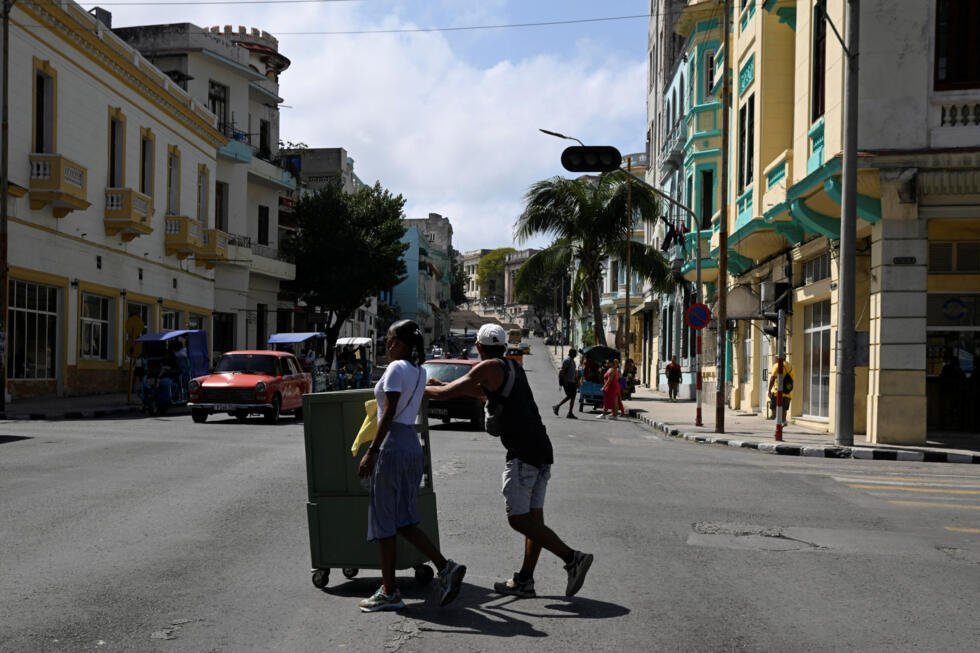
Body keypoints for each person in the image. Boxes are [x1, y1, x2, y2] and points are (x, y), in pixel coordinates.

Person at [424, 323, 593, 599]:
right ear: (503, 346)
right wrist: (441, 385)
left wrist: (420, 389)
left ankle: (572, 558)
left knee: (518, 519)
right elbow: (477, 392)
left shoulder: (487, 367)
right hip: (541, 448)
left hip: (523, 452)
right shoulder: (511, 367)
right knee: (534, 520)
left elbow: (449, 394)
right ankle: (525, 580)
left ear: (478, 347)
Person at [356, 319, 466, 612]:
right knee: (403, 518)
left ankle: (390, 591)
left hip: (392, 445)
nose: (388, 345)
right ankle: (445, 566)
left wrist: (372, 451)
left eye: (391, 340)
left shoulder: (395, 368)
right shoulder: (420, 371)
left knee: (383, 521)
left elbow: (389, 410)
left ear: (401, 343)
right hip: (410, 447)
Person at [552, 348, 579, 419]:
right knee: (570, 396)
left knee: (572, 397)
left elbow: (574, 373)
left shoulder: (572, 361)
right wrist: (563, 382)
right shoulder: (567, 360)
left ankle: (570, 413)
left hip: (572, 382)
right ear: (571, 353)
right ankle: (557, 406)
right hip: (567, 382)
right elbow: (562, 372)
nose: (576, 355)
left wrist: (576, 382)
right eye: (575, 353)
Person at [767, 357, 795, 426]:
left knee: (773, 406)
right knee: (784, 409)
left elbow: (772, 379)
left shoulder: (777, 365)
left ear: (778, 358)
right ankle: (783, 420)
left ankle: (774, 416)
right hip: (787, 392)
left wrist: (769, 390)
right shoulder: (790, 366)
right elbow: (792, 378)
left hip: (777, 392)